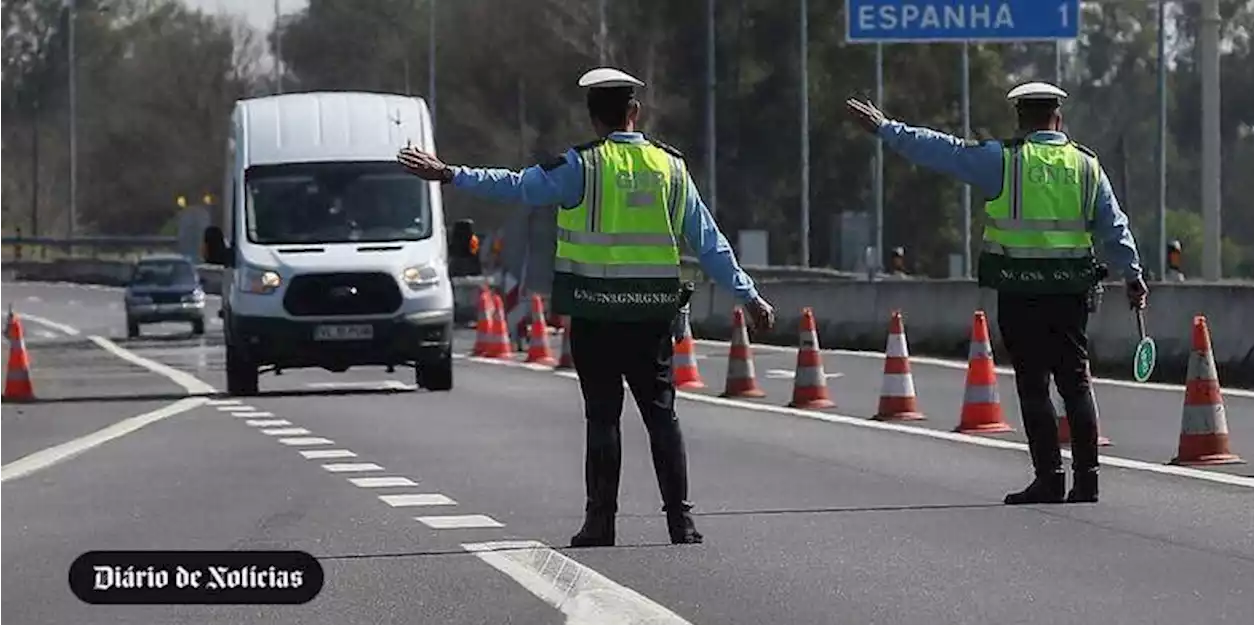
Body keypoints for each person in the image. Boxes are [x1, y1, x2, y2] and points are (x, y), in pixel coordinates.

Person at [396, 66, 775, 545]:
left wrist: (450, 174)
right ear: (635, 112)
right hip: (650, 315)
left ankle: (601, 522)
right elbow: (709, 244)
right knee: (662, 415)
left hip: (595, 316)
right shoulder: (671, 167)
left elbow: (515, 185)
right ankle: (681, 521)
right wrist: (750, 296)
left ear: (593, 117)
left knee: (602, 417)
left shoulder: (581, 165)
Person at [846, 81, 1149, 505]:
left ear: (1020, 119)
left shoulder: (1004, 160)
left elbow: (944, 151)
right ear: (1058, 118)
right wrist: (1133, 276)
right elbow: (1115, 227)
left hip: (1019, 289)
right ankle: (1088, 481)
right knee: (1076, 383)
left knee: (1033, 384)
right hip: (1071, 293)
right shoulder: (1086, 166)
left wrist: (886, 128)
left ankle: (1049, 478)